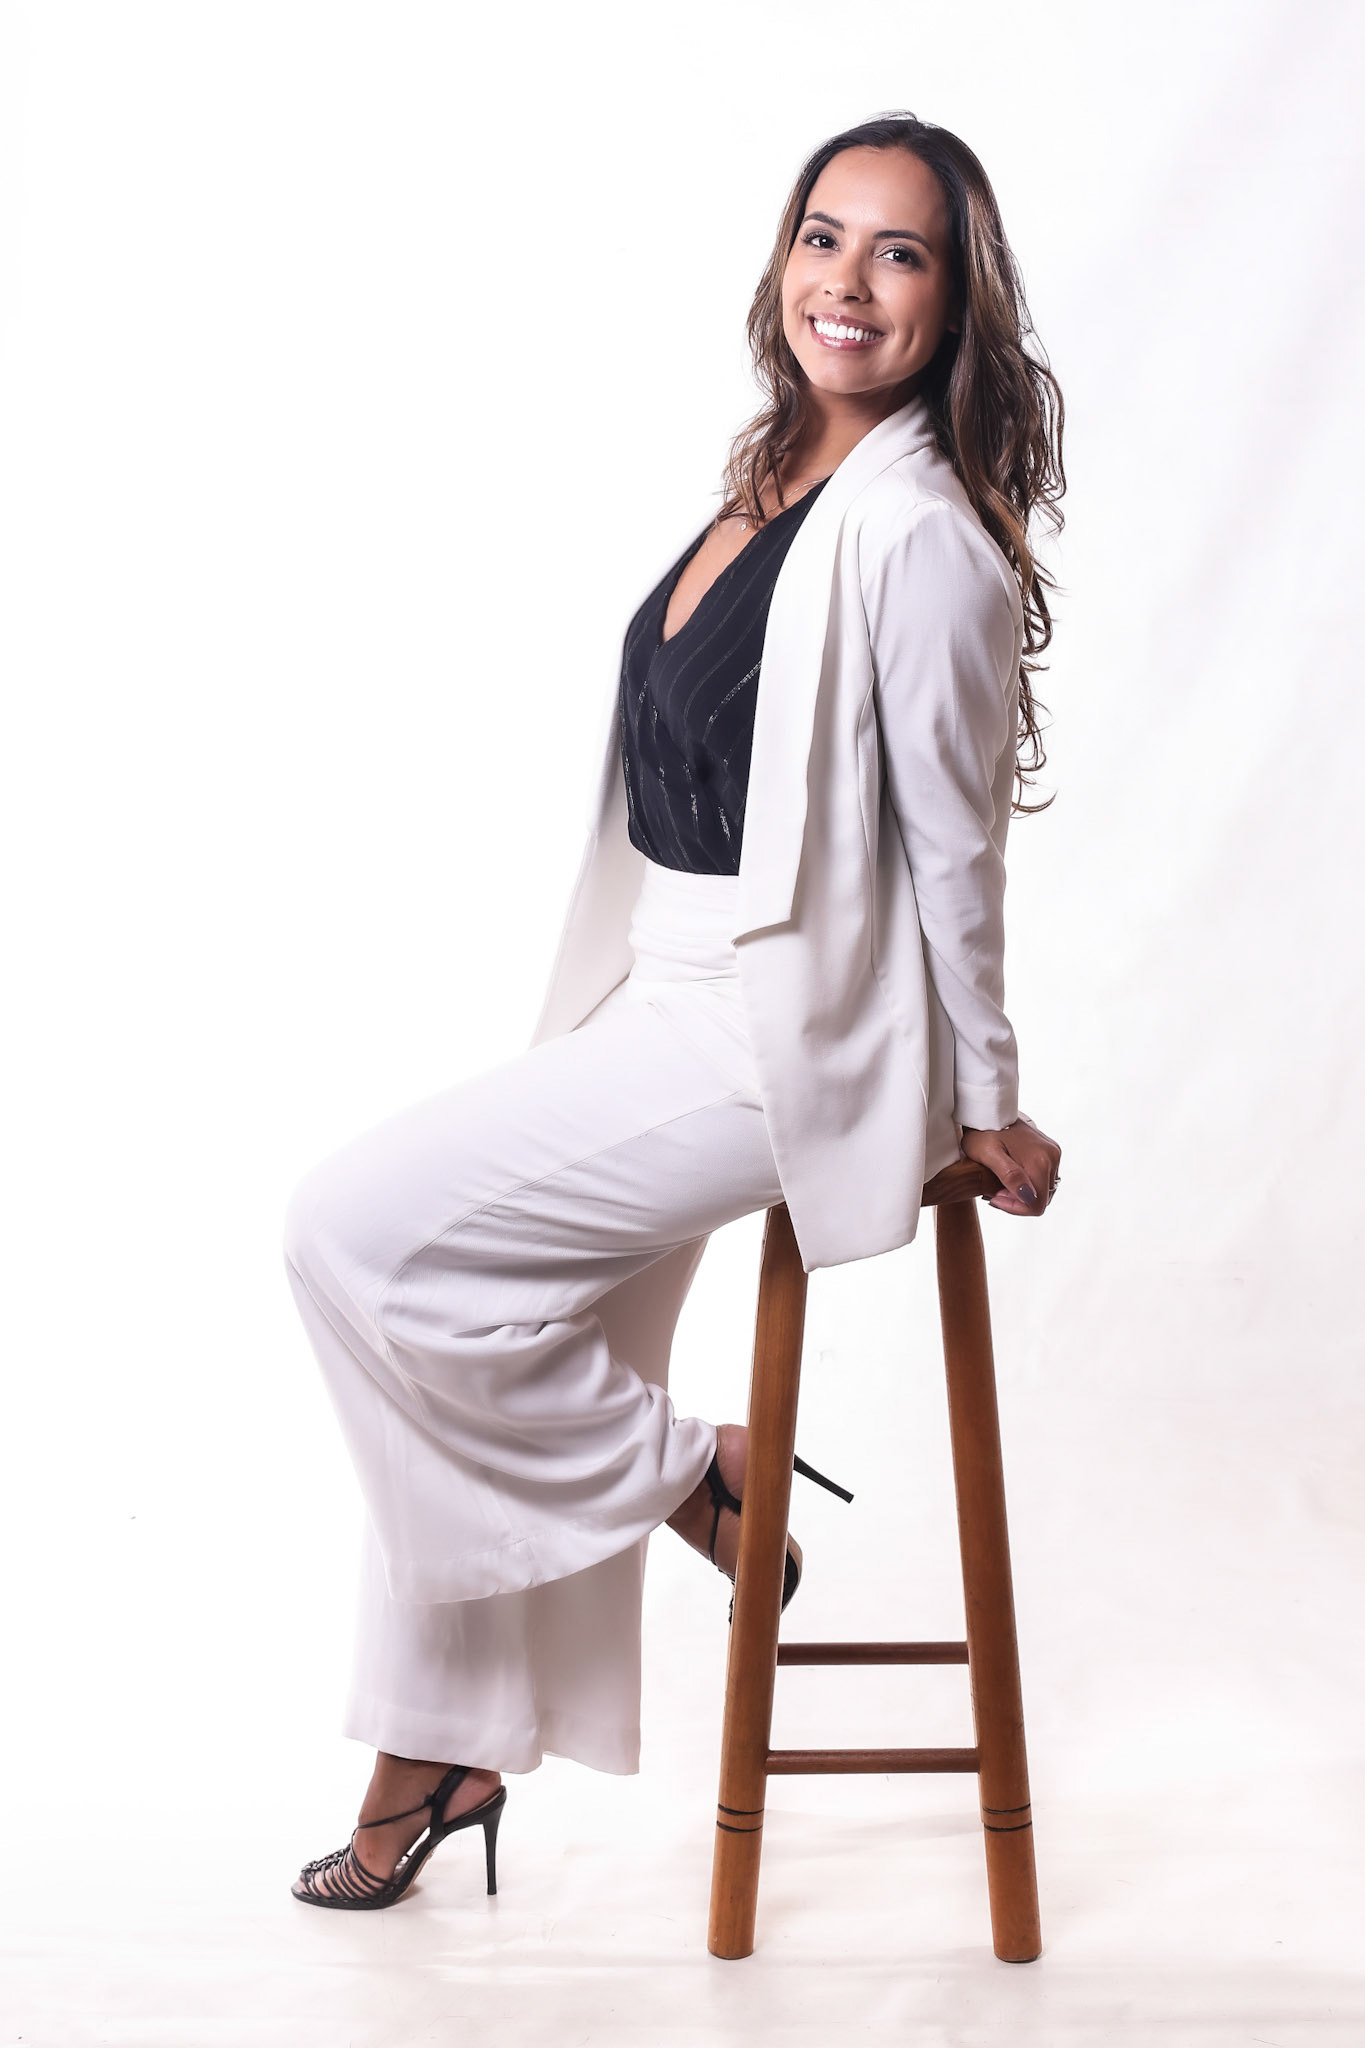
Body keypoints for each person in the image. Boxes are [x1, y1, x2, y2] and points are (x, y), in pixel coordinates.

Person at [283, 110, 1066, 1911]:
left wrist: (987, 1095)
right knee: (430, 1299)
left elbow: (958, 853)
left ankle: (706, 1476)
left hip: (775, 1030)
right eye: (822, 237)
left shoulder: (919, 534)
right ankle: (434, 1748)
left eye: (899, 252)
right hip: (663, 980)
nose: (846, 282)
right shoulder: (767, 478)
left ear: (955, 303)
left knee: (354, 1235)